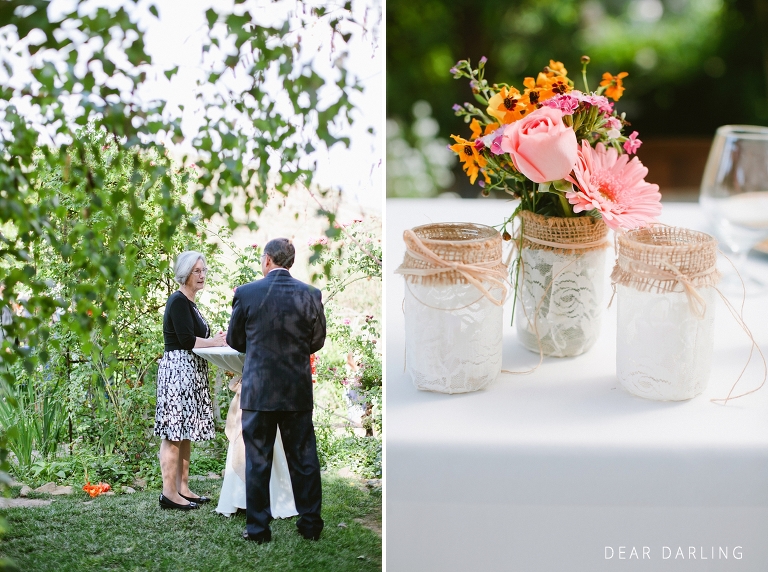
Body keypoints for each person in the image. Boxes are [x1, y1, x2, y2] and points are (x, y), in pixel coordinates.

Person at [227, 238, 326, 543]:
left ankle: (258, 530)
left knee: (258, 460)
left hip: (259, 390)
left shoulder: (246, 293)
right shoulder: (311, 294)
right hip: (296, 390)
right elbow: (317, 341)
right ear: (290, 262)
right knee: (304, 458)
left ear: (267, 260)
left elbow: (235, 339)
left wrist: (258, 346)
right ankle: (310, 525)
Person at [154, 251, 227, 510]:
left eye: (204, 270)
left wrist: (216, 340)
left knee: (185, 433)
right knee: (174, 433)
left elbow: (197, 337)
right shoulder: (177, 301)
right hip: (178, 372)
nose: (202, 274)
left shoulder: (190, 303)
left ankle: (182, 488)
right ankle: (168, 493)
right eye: (197, 270)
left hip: (191, 371)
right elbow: (186, 340)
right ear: (185, 273)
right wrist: (214, 342)